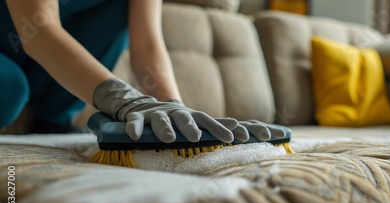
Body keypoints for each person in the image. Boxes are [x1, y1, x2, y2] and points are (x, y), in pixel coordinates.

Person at [0, 0, 284, 143]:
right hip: (11, 56)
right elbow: (39, 31)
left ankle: (51, 121)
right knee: (9, 91)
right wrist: (123, 98)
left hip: (48, 77)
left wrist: (176, 111)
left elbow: (147, 44)